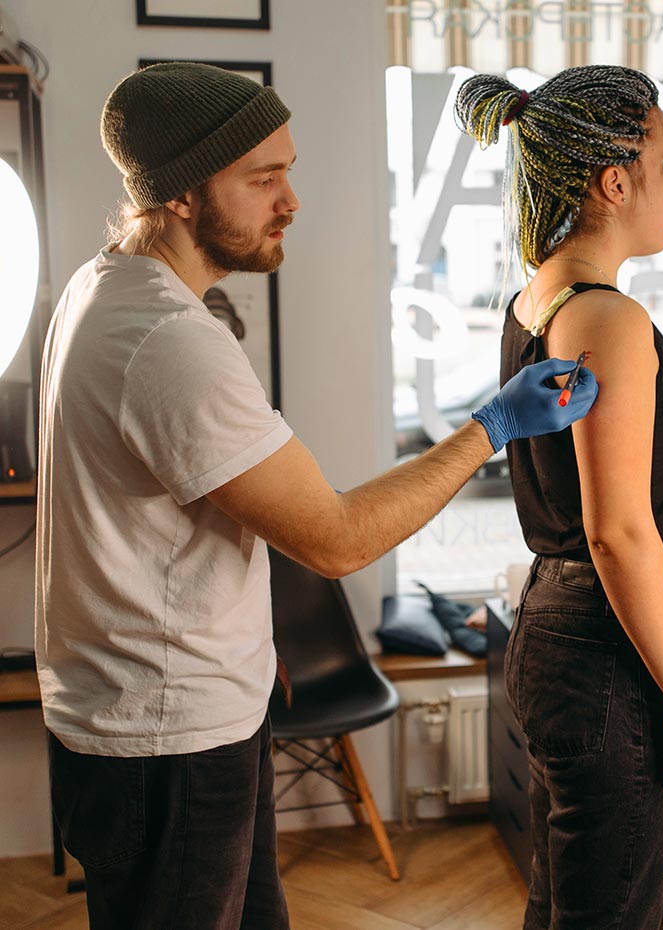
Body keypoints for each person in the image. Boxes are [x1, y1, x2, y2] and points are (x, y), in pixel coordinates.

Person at [34, 62, 597, 930]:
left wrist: (246, 639)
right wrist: (492, 426)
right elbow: (336, 540)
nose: (290, 201)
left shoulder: (100, 285)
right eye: (263, 179)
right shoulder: (169, 341)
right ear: (179, 194)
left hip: (167, 715)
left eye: (287, 170)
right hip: (168, 744)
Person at [454, 65, 663, 930]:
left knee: (566, 902)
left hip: (562, 629)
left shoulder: (540, 299)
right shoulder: (608, 318)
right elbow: (618, 532)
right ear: (615, 182)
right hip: (612, 649)